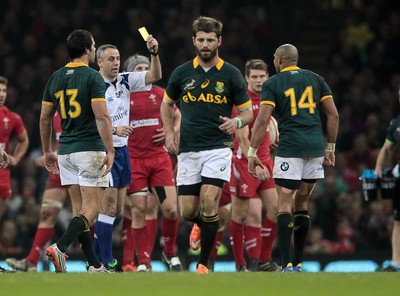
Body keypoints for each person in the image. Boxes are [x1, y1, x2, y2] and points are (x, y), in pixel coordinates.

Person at [160, 16, 253, 274]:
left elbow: (248, 114)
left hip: (218, 148)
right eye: (200, 40)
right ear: (193, 41)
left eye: (210, 40)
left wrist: (235, 123)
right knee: (188, 211)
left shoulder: (232, 74)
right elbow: (166, 104)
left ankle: (203, 264)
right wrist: (169, 133)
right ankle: (201, 224)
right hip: (188, 149)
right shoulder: (182, 73)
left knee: (210, 202)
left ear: (219, 41)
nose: (205, 44)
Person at [248, 44, 339, 272]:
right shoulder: (316, 79)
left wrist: (252, 151)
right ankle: (298, 263)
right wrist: (330, 147)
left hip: (290, 149)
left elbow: (262, 120)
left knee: (284, 204)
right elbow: (333, 114)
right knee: (303, 203)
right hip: (315, 149)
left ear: (278, 60)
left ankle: (287, 263)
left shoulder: (273, 83)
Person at [39, 29, 114, 273]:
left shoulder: (55, 77)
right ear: (87, 49)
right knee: (91, 210)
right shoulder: (93, 77)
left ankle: (93, 265)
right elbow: (102, 116)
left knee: (78, 210)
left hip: (65, 153)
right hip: (89, 150)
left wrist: (48, 150)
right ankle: (59, 247)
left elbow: (44, 118)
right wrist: (110, 150)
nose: (94, 50)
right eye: (93, 46)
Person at [94, 37, 161, 271]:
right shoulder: (94, 85)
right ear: (99, 62)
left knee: (118, 209)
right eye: (111, 59)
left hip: (123, 150)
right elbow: (89, 121)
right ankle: (104, 260)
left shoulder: (124, 80)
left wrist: (154, 54)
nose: (115, 63)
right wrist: (114, 129)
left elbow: (154, 76)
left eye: (118, 59)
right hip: (104, 149)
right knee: (109, 204)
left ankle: (95, 253)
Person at [123, 54, 182, 272]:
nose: (143, 72)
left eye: (145, 68)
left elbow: (178, 116)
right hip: (134, 160)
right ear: (130, 73)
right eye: (138, 68)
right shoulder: (122, 96)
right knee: (139, 211)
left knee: (171, 210)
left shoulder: (161, 95)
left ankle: (169, 252)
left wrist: (171, 132)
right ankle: (143, 262)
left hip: (159, 159)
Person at [229, 59, 279, 272]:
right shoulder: (242, 102)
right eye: (254, 77)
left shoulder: (270, 98)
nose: (259, 80)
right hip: (244, 163)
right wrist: (254, 162)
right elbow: (241, 137)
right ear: (246, 79)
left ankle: (264, 260)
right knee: (239, 215)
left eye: (262, 76)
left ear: (267, 77)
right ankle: (241, 265)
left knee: (276, 209)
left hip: (266, 161)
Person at [6, 112, 69, 272]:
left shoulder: (82, 98)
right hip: (59, 165)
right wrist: (52, 152)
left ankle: (95, 260)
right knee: (47, 213)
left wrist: (56, 153)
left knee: (86, 215)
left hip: (80, 163)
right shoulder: (56, 108)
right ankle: (32, 261)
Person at [374, 84, 400, 272]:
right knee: (398, 220)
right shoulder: (396, 123)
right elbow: (387, 148)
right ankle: (396, 262)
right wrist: (378, 168)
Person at [0, 75, 29, 216]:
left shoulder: (12, 118)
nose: (2, 94)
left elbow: (24, 140)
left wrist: (16, 158)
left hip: (2, 171)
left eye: (4, 91)